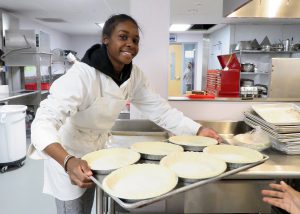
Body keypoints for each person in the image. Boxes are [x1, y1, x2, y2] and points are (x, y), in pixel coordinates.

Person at [29, 14, 220, 214]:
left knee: (96, 203)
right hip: (68, 152)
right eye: (123, 37)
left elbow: (161, 111)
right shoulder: (82, 75)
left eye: (135, 40)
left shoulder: (134, 75)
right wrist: (68, 161)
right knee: (75, 210)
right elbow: (42, 123)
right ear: (106, 39)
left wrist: (197, 130)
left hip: (99, 152)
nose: (130, 44)